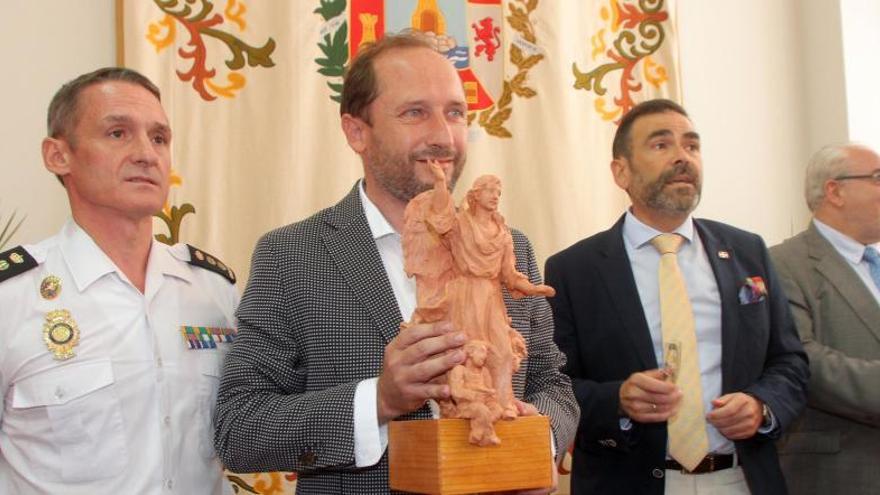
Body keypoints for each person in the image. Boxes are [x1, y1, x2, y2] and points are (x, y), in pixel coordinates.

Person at [213, 34, 578, 493]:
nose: (444, 137)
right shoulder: (292, 256)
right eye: (415, 112)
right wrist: (379, 399)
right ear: (356, 131)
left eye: (455, 112)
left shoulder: (508, 245)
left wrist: (536, 445)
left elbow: (552, 382)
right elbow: (240, 428)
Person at [544, 99, 809, 494]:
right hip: (630, 482)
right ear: (621, 172)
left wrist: (761, 406)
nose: (683, 157)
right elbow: (554, 384)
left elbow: (789, 360)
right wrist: (618, 399)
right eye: (661, 145)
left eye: (692, 145)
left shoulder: (747, 252)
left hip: (741, 478)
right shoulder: (574, 269)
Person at [0, 68, 239, 494]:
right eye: (117, 134)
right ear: (58, 156)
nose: (147, 154)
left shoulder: (213, 290)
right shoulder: (12, 297)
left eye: (160, 138)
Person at [770, 144, 880, 493]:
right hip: (842, 474)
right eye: (878, 178)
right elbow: (803, 360)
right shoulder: (783, 263)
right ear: (835, 191)